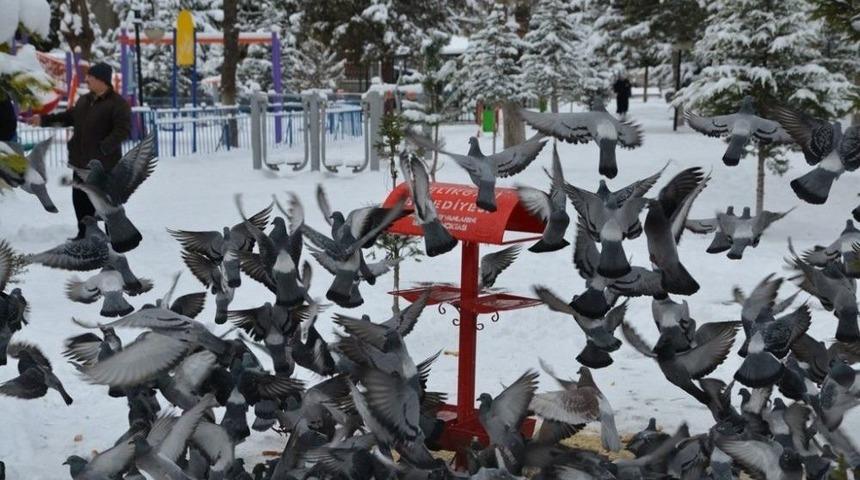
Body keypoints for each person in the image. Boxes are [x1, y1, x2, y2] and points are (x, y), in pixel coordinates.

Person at [28, 62, 131, 239]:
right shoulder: (85, 100)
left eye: (90, 77)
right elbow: (68, 117)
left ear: (101, 80)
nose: (87, 80)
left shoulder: (118, 104)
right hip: (80, 163)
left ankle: (114, 235)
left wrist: (104, 148)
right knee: (81, 201)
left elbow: (122, 130)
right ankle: (85, 234)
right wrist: (43, 120)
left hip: (104, 166)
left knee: (105, 203)